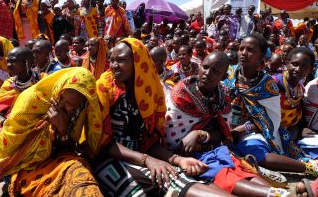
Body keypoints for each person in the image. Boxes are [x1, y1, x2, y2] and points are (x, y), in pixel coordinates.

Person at [94, 38, 231, 197]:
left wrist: (178, 160)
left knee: (178, 179)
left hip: (140, 156)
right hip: (109, 158)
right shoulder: (104, 90)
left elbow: (149, 141)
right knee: (158, 185)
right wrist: (148, 160)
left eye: (121, 60)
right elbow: (103, 143)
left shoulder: (148, 92)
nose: (114, 65)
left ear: (138, 62)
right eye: (112, 60)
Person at [165, 52, 293, 197]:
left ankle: (280, 193)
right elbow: (173, 139)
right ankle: (276, 194)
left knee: (237, 166)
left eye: (215, 71)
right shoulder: (182, 93)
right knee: (221, 172)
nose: (207, 73)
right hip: (186, 154)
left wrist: (199, 134)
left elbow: (225, 133)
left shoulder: (222, 95)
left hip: (214, 147)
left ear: (223, 77)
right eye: (205, 67)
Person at [0, 67, 103, 196]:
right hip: (21, 165)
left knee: (80, 175)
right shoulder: (33, 100)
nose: (61, 105)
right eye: (62, 97)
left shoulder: (80, 110)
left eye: (70, 104)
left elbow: (68, 148)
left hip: (57, 159)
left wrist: (62, 129)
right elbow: (12, 147)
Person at [224, 33, 318, 177]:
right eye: (241, 48)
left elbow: (272, 118)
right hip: (225, 126)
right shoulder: (228, 73)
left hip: (255, 130)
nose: (243, 53)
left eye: (250, 50)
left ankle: (307, 168)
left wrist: (244, 128)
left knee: (257, 153)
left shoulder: (267, 84)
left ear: (261, 56)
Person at [273, 47, 315, 135]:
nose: (298, 69)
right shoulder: (274, 83)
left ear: (311, 69)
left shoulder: (301, 89)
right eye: (295, 64)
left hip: (291, 130)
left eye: (304, 66)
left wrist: (301, 129)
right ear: (287, 63)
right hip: (272, 131)